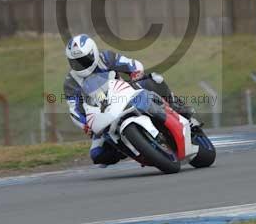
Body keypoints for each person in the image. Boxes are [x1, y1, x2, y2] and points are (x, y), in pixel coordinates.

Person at [63, 33, 197, 166]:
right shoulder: (71, 82)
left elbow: (131, 64)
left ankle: (176, 106)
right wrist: (85, 124)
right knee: (97, 154)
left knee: (155, 79)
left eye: (84, 60)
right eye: (75, 62)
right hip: (103, 112)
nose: (80, 65)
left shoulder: (106, 58)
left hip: (127, 92)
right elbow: (74, 109)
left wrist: (135, 73)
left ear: (94, 53)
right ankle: (130, 147)